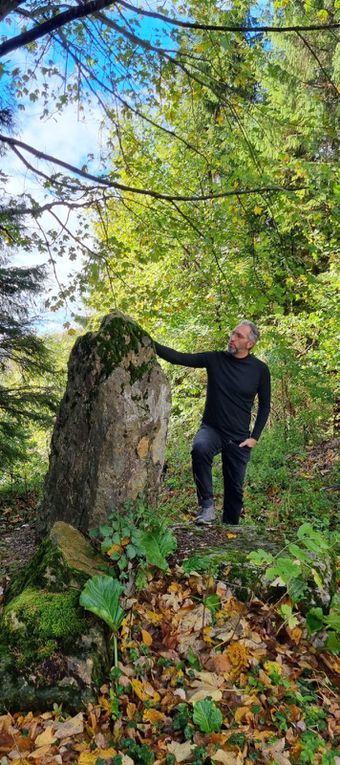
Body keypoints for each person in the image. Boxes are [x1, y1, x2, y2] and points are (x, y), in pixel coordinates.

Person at [154, 321, 271, 525]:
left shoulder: (260, 369)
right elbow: (179, 357)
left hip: (240, 438)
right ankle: (207, 506)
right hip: (213, 429)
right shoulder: (215, 359)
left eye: (239, 336)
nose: (232, 338)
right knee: (200, 448)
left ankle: (230, 533)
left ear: (250, 344)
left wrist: (255, 437)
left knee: (234, 492)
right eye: (233, 333)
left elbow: (265, 406)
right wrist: (149, 342)